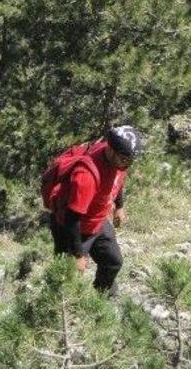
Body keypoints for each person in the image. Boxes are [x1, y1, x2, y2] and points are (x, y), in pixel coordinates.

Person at [46, 125, 143, 296]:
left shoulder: (119, 161)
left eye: (130, 159)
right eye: (124, 159)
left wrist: (119, 207)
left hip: (96, 221)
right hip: (71, 228)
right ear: (111, 150)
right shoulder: (87, 175)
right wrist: (77, 255)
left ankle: (100, 301)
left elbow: (117, 180)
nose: (128, 163)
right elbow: (72, 218)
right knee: (65, 278)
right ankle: (55, 314)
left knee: (112, 261)